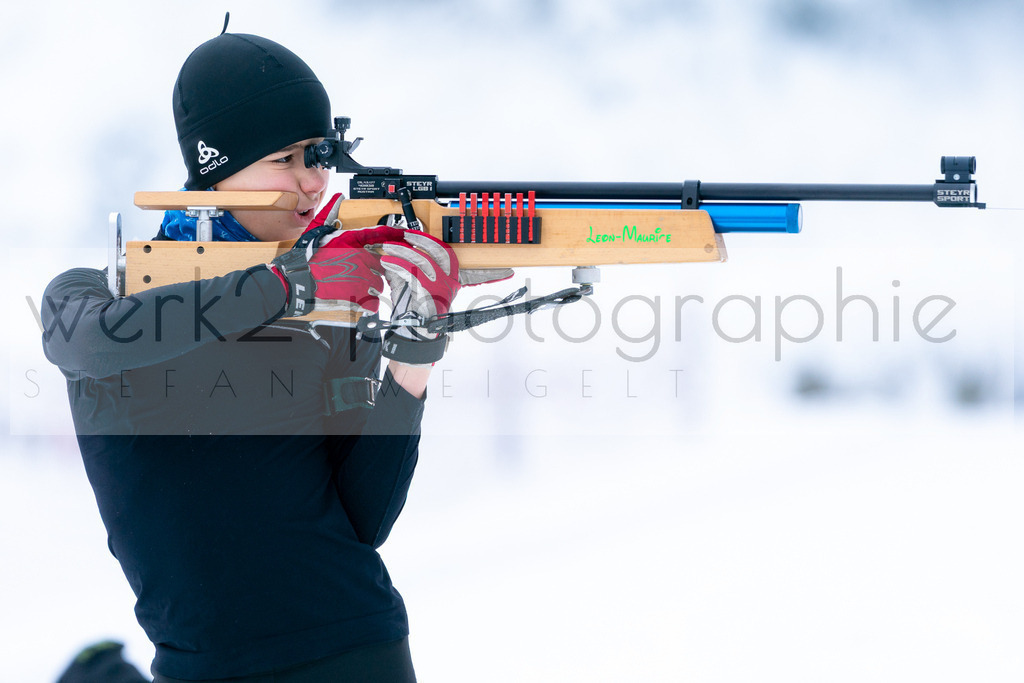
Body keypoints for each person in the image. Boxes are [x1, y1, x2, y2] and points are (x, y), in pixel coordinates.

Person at [41, 26, 505, 683]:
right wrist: (289, 285)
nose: (314, 181)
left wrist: (413, 347)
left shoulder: (330, 307)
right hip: (201, 666)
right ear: (215, 167)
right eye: (286, 158)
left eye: (320, 155)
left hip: (358, 647)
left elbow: (363, 517)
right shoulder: (100, 293)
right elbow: (94, 340)